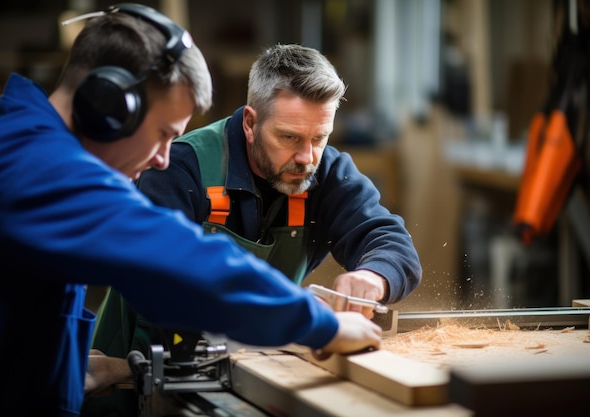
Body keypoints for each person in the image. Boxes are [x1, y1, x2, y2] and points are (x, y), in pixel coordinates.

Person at [0, 4, 384, 417]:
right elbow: (178, 264)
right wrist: (324, 326)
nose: (164, 158)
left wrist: (62, 366)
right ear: (108, 108)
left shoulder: (17, 141)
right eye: (163, 134)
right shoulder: (34, 168)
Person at [82, 43, 422, 416]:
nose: (306, 157)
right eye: (289, 137)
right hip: (135, 370)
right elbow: (174, 288)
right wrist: (309, 322)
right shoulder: (180, 168)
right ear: (249, 122)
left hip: (252, 360)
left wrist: (374, 276)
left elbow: (388, 239)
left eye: (319, 138)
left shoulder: (325, 172)